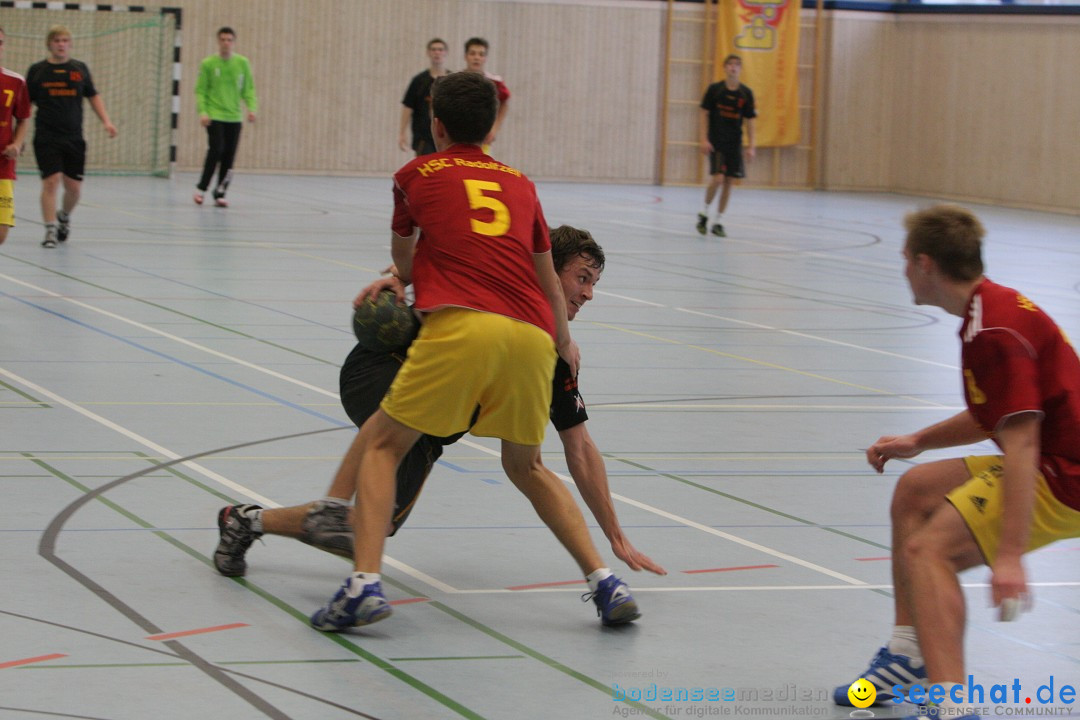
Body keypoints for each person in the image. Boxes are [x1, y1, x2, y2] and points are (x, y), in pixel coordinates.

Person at [309, 71, 641, 633]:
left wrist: (397, 280)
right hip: (533, 339)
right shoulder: (520, 183)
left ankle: (363, 582)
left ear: (434, 123)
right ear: (492, 127)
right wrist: (562, 340)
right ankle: (605, 583)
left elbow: (410, 265)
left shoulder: (413, 174)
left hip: (464, 328)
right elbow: (543, 273)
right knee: (528, 466)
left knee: (384, 447)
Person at [213, 225, 666, 582]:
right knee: (370, 501)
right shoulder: (491, 287)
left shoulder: (552, 355)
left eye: (594, 283)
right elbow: (434, 251)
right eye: (581, 278)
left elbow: (580, 448)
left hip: (430, 431)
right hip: (381, 374)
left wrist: (615, 532)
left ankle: (245, 521)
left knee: (373, 523)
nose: (588, 293)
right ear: (547, 272)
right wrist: (396, 277)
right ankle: (361, 588)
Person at [833, 205, 1080, 720]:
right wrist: (918, 441)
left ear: (925, 264)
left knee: (930, 551)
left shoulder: (994, 331)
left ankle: (952, 707)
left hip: (1065, 477)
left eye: (904, 261)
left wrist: (1009, 556)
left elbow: (1022, 446)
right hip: (1053, 458)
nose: (902, 271)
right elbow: (998, 412)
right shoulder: (987, 311)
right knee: (915, 491)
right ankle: (909, 656)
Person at [25, 25, 117, 248]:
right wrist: (19, 136)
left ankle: (64, 216)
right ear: (49, 44)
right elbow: (25, 105)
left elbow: (93, 96)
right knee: (51, 182)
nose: (61, 44)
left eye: (65, 40)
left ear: (70, 44)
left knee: (74, 188)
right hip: (46, 136)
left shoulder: (79, 69)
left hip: (74, 137)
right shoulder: (38, 71)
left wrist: (106, 121)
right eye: (57, 40)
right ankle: (49, 230)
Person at [194, 27, 257, 208]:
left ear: (234, 42)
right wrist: (203, 112)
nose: (226, 43)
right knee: (216, 149)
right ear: (218, 41)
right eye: (223, 40)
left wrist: (251, 108)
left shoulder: (242, 63)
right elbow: (200, 90)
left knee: (229, 156)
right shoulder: (208, 64)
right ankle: (201, 188)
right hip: (215, 115)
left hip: (234, 117)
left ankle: (220, 192)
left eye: (229, 40)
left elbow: (249, 89)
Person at [696, 54, 755, 239]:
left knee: (729, 182)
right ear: (725, 67)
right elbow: (704, 113)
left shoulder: (746, 93)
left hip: (735, 143)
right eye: (730, 64)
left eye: (737, 65)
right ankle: (704, 213)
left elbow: (750, 120)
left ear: (740, 69)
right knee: (718, 179)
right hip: (717, 142)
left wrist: (751, 145)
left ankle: (718, 221)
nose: (733, 67)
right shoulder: (715, 90)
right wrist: (704, 139)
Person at [0, 27, 31, 246]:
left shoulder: (15, 82)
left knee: (1, 233)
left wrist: (17, 143)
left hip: (3, 165)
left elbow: (22, 118)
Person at [398, 38, 449, 156]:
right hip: (424, 138)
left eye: (440, 50)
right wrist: (402, 132)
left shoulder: (452, 80)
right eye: (434, 50)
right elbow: (408, 106)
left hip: (447, 138)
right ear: (428, 53)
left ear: (446, 52)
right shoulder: (419, 81)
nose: (437, 52)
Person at [463, 37, 509, 150]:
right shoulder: (455, 80)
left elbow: (505, 102)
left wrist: (494, 128)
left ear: (485, 58)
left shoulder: (494, 82)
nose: (476, 58)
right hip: (458, 136)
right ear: (466, 56)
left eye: (481, 54)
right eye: (472, 53)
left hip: (481, 136)